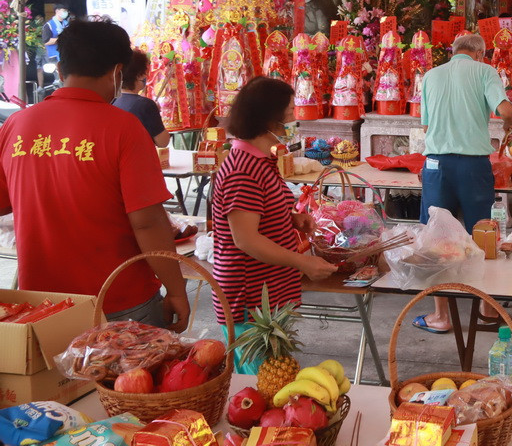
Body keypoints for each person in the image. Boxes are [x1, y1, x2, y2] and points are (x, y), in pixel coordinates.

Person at [0, 19, 189, 330]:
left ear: (60, 71)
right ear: (118, 73)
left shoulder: (16, 125)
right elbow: (148, 221)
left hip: (41, 304)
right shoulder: (125, 129)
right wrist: (177, 290)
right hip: (118, 302)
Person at [211, 77, 336, 369]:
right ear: (268, 118)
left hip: (267, 293)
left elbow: (255, 212)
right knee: (257, 388)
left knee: (272, 378)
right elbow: (245, 239)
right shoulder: (242, 167)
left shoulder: (259, 160)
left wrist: (290, 218)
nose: (295, 119)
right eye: (290, 112)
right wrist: (302, 262)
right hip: (249, 298)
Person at [413, 33, 512, 334]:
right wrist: (511, 123)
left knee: (436, 239)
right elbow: (505, 110)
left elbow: (425, 123)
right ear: (481, 54)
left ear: (454, 52)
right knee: (481, 235)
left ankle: (441, 316)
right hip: (473, 166)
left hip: (436, 165)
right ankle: (486, 310)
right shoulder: (485, 72)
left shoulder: (431, 76)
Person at [114, 50, 170, 148]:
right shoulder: (146, 105)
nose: (147, 76)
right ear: (139, 75)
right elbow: (163, 142)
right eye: (145, 72)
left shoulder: (113, 101)